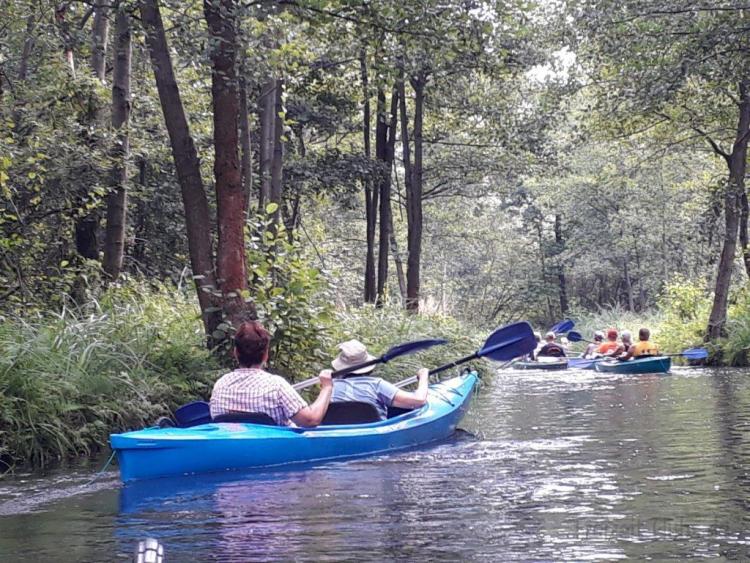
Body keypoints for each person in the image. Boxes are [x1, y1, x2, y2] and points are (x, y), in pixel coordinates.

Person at [210, 321, 333, 427]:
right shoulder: (276, 385)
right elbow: (310, 420)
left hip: (231, 451)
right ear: (266, 355)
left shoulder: (220, 384)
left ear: (236, 353)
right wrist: (327, 387)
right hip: (275, 453)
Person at [330, 339, 430, 420]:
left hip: (338, 433)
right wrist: (423, 377)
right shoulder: (377, 385)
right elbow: (418, 400)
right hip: (373, 434)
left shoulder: (330, 387)